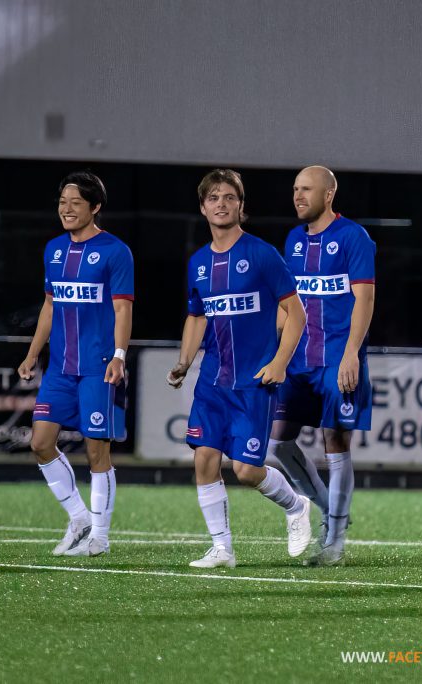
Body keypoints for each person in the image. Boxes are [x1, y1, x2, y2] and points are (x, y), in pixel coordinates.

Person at [167, 169, 311, 569]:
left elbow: (296, 314)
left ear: (241, 206)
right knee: (204, 460)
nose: (221, 204)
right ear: (202, 207)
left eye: (229, 197)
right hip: (212, 381)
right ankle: (222, 549)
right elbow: (197, 317)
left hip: (254, 382)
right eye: (213, 198)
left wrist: (280, 363)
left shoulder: (262, 254)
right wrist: (184, 361)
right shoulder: (198, 263)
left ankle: (296, 505)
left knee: (247, 471)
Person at [17, 171, 134, 557]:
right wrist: (33, 354)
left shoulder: (116, 251)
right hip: (61, 369)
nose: (66, 209)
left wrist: (119, 356)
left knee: (97, 451)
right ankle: (79, 517)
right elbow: (50, 306)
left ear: (95, 207)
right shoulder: (53, 250)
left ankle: (100, 536)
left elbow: (122, 308)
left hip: (98, 367)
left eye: (75, 203)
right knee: (40, 442)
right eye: (62, 202)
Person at [270, 165, 376, 567]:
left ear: (328, 194)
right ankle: (325, 509)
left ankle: (334, 539)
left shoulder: (353, 238)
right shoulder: (294, 239)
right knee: (278, 441)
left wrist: (352, 353)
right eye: (295, 189)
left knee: (336, 442)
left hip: (337, 358)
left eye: (306, 189)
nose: (298, 196)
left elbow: (364, 300)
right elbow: (289, 304)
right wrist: (275, 351)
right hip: (298, 359)